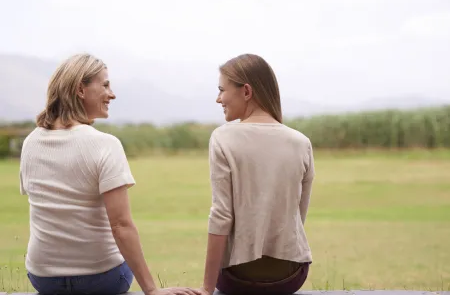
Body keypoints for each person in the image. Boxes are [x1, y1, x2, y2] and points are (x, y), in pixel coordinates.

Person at [19, 53, 200, 295]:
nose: (112, 94)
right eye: (105, 85)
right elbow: (121, 225)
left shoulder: (31, 142)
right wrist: (152, 290)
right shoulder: (105, 144)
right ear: (80, 90)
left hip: (43, 278)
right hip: (101, 279)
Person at [197, 54, 315, 295]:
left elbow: (221, 215)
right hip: (292, 275)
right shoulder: (301, 142)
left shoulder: (222, 137)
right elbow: (297, 217)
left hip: (237, 278)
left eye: (222, 90)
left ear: (246, 91)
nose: (218, 98)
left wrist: (207, 289)